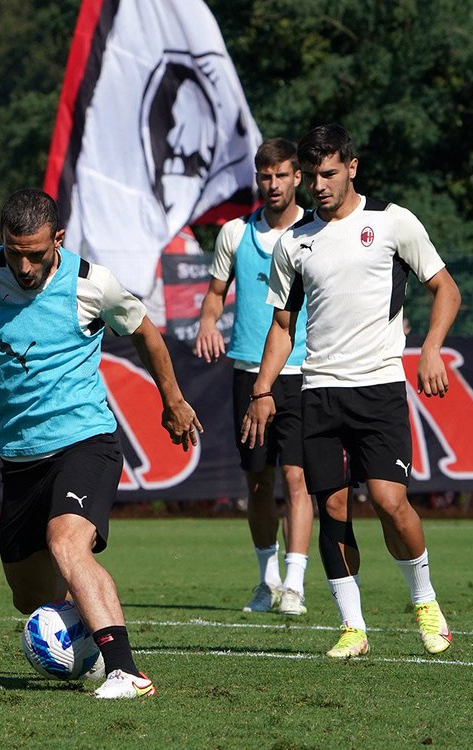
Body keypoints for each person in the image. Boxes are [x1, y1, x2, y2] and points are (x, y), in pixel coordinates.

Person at [0, 189, 201, 699]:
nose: (24, 266)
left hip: (85, 441)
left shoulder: (91, 283)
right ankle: (87, 634)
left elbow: (145, 332)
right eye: (14, 252)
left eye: (35, 253)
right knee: (30, 597)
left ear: (58, 239)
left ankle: (126, 670)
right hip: (18, 459)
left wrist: (173, 400)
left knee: (66, 543)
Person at [243, 124, 461, 659]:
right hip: (318, 392)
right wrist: (262, 389)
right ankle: (353, 627)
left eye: (329, 173)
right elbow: (282, 326)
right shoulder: (295, 243)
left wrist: (430, 349)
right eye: (312, 175)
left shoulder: (392, 221)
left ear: (352, 167)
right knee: (333, 506)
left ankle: (425, 601)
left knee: (390, 501)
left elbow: (445, 289)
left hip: (380, 388)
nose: (319, 185)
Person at [194, 137, 314, 616]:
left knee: (298, 476)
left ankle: (296, 586)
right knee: (259, 482)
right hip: (247, 370)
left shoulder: (317, 230)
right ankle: (267, 582)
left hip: (304, 369)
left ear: (296, 178)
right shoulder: (233, 234)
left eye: (281, 175)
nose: (273, 184)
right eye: (265, 176)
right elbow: (214, 293)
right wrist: (207, 320)